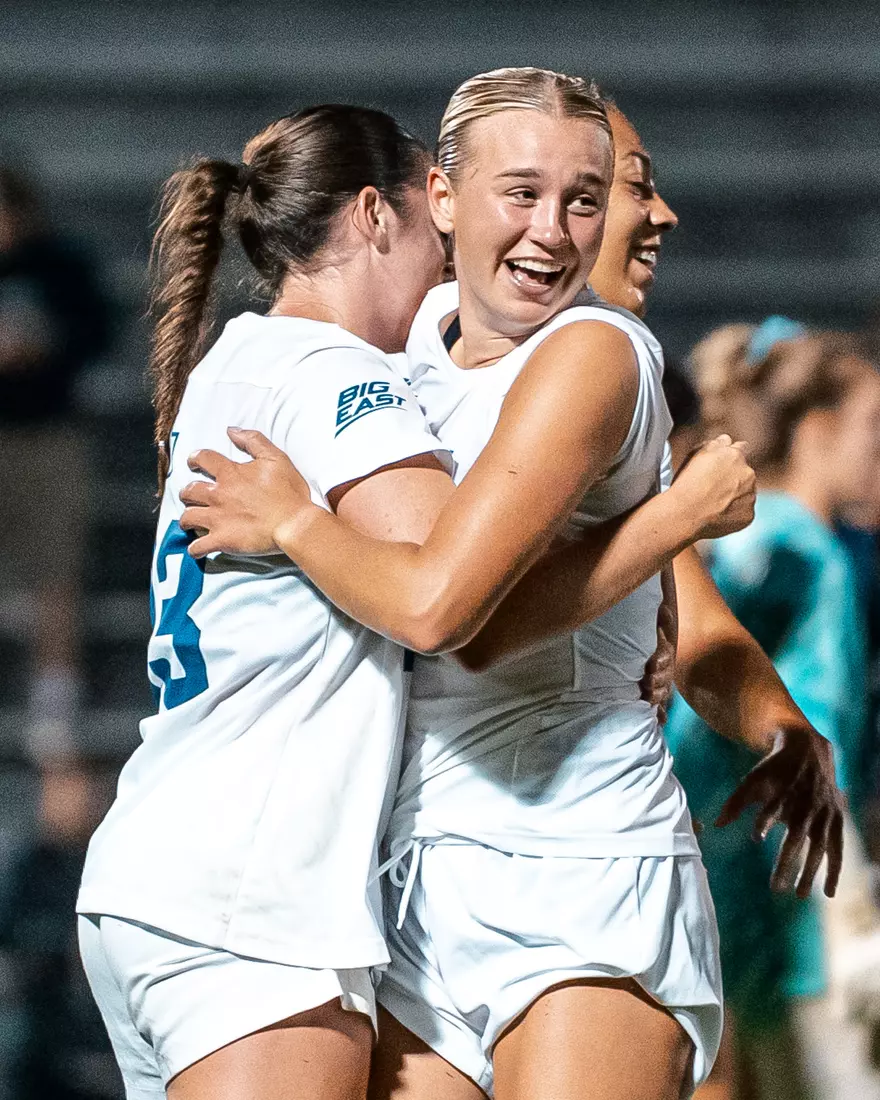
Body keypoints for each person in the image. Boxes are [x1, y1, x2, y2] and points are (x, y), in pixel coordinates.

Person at [179, 70, 841, 1100]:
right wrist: (779, 723)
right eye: (528, 194)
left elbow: (463, 624)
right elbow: (696, 626)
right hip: (410, 877)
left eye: (587, 196)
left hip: (580, 860)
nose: (561, 225)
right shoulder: (405, 340)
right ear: (440, 199)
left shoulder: (597, 352)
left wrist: (297, 522)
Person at [667, 322, 880, 1100]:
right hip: (783, 842)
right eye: (871, 425)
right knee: (819, 1064)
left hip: (773, 833)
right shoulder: (787, 538)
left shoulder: (822, 539)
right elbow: (718, 607)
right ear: (818, 429)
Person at [0, 164, 109, 759]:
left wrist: (41, 345)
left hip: (44, 433)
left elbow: (95, 334)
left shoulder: (58, 265)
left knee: (54, 572)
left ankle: (54, 706)